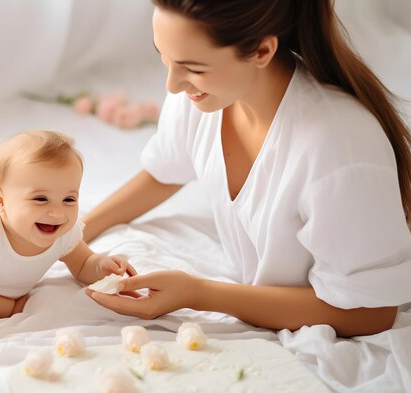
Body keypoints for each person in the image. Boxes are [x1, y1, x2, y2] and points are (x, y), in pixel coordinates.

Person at [84, 0, 411, 338]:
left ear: (261, 50)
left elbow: (371, 313)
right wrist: (70, 236)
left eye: (193, 68)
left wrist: (199, 294)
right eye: (165, 58)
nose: (172, 85)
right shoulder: (201, 99)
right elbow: (162, 172)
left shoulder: (338, 148)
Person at [0, 130, 136, 345]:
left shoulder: (64, 232)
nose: (57, 213)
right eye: (41, 199)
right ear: (0, 201)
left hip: (6, 294)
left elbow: (82, 264)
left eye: (69, 199)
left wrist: (101, 266)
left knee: (11, 307)